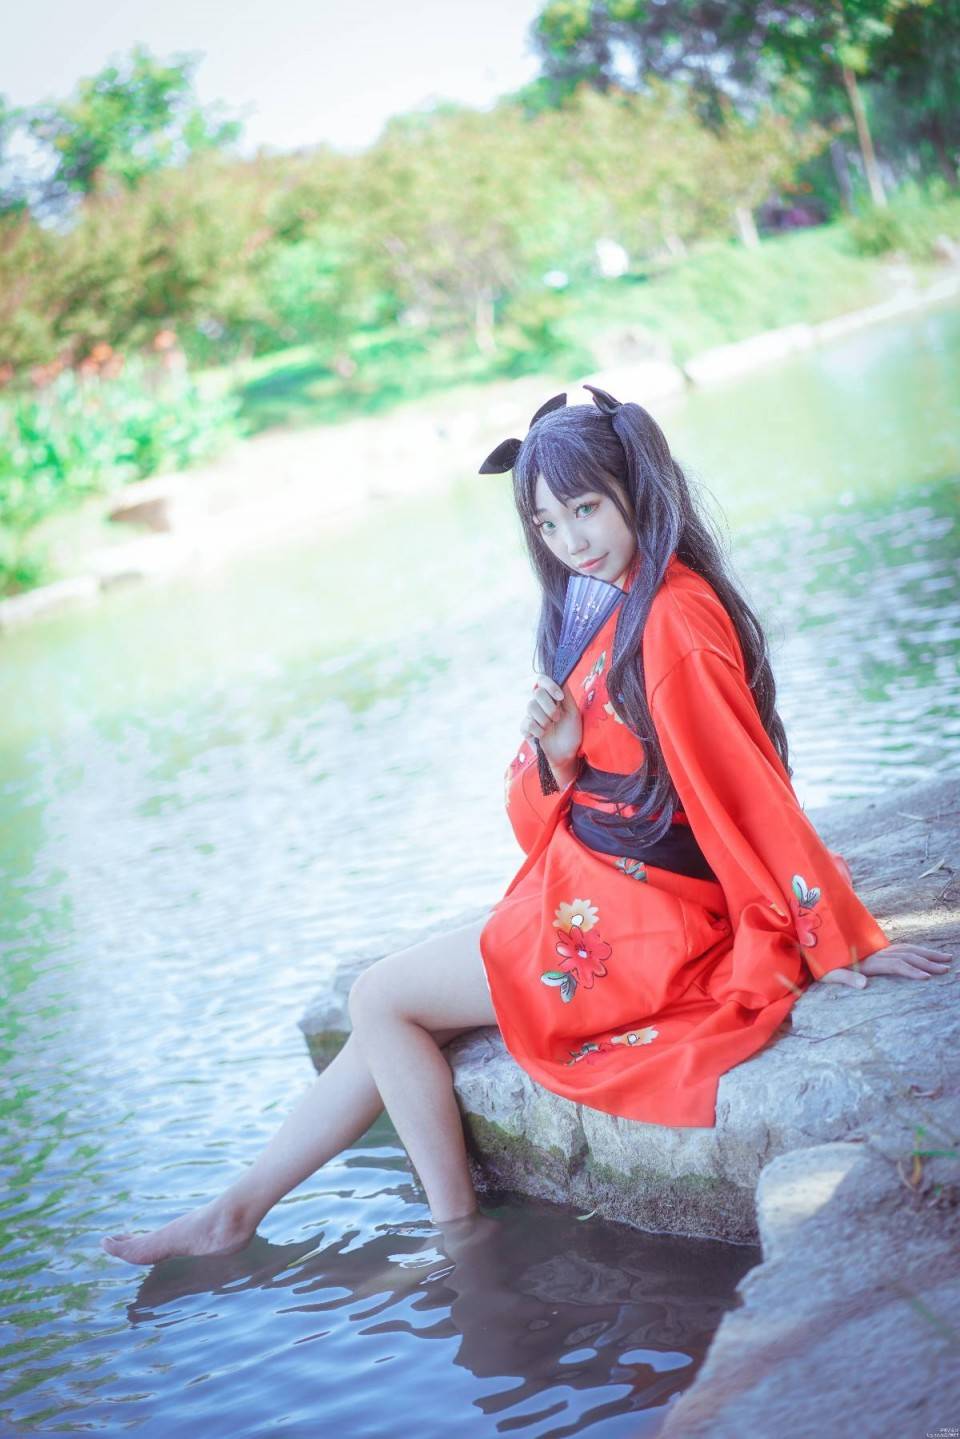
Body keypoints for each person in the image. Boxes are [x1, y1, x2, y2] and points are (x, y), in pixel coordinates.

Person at [101, 385, 952, 1266]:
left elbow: (749, 792)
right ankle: (234, 1212)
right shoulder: (612, 600)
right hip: (602, 892)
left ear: (637, 489)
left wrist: (838, 938)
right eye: (547, 523)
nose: (570, 540)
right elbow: (534, 810)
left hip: (647, 922)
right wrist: (560, 755)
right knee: (388, 1013)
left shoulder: (671, 617)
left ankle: (457, 1235)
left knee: (380, 998)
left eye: (585, 508)